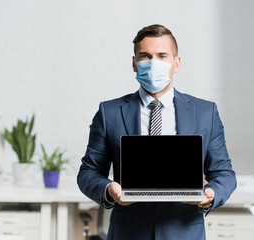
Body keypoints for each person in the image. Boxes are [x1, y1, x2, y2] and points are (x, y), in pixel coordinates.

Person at [77, 24, 237, 240]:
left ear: (176, 63)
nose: (153, 63)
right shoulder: (109, 112)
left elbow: (224, 173)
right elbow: (88, 171)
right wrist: (108, 189)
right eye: (145, 56)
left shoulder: (205, 112)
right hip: (128, 233)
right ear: (134, 64)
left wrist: (210, 194)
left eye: (162, 56)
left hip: (184, 231)